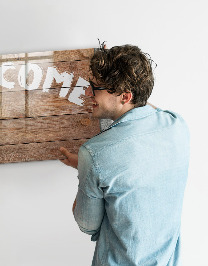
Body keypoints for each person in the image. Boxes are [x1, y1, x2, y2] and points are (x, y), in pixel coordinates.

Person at [60, 44, 189, 265]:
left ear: (125, 96)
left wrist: (85, 169)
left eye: (96, 87)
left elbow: (87, 224)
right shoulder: (177, 125)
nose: (89, 92)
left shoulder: (94, 153)